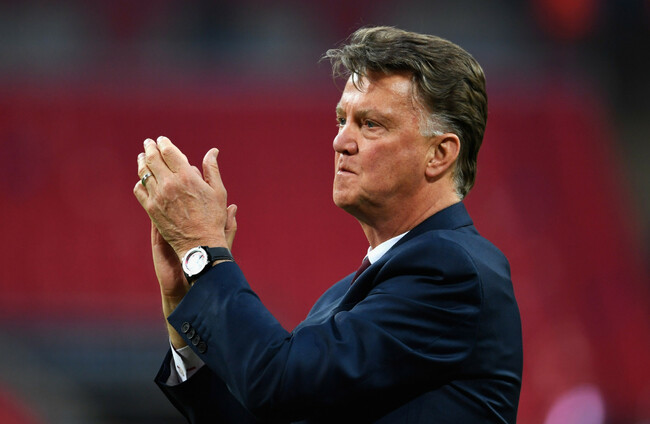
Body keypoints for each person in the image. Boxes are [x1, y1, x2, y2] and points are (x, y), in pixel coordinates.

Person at [134, 26, 523, 423]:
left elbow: (279, 382)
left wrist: (203, 253)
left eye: (370, 124)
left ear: (439, 153)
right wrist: (186, 301)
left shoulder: (451, 272)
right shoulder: (341, 298)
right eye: (341, 120)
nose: (340, 142)